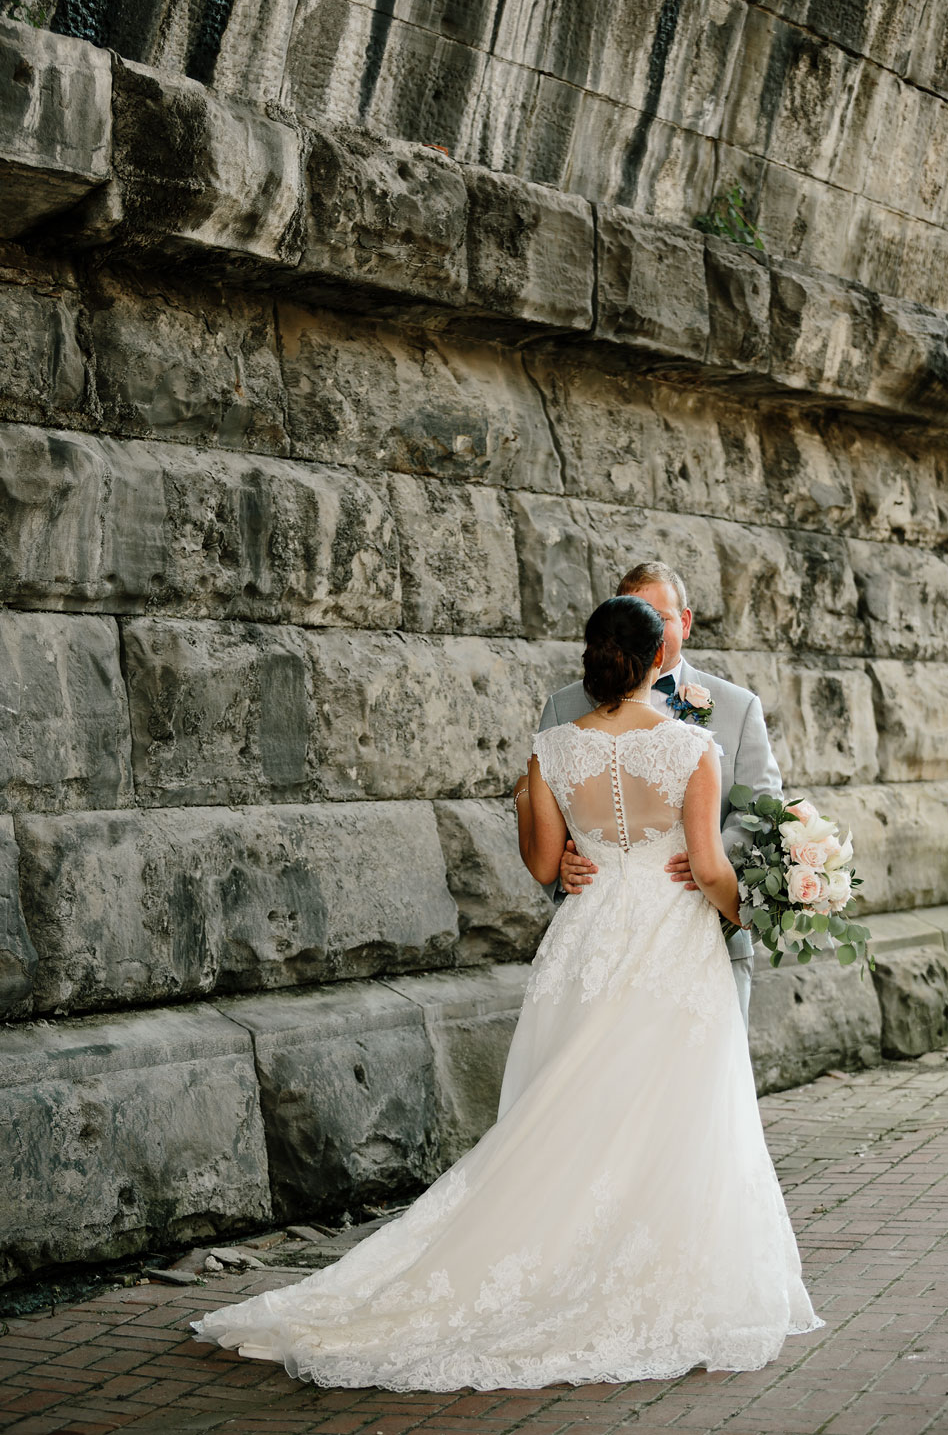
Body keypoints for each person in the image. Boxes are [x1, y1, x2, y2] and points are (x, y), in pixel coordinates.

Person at [190, 595, 820, 1390]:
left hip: (588, 941)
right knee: (674, 1108)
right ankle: (642, 1265)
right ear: (660, 659)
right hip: (671, 943)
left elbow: (544, 865)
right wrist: (757, 912)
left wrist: (578, 861)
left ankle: (563, 1252)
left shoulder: (551, 750)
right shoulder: (693, 748)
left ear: (594, 660)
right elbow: (708, 868)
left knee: (574, 1107)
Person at [538, 561, 782, 1029]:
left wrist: (710, 864)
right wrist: (562, 864)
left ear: (684, 622)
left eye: (662, 618)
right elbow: (551, 805)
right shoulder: (564, 707)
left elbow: (762, 810)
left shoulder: (736, 707)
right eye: (636, 615)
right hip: (600, 947)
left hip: (709, 938)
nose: (647, 631)